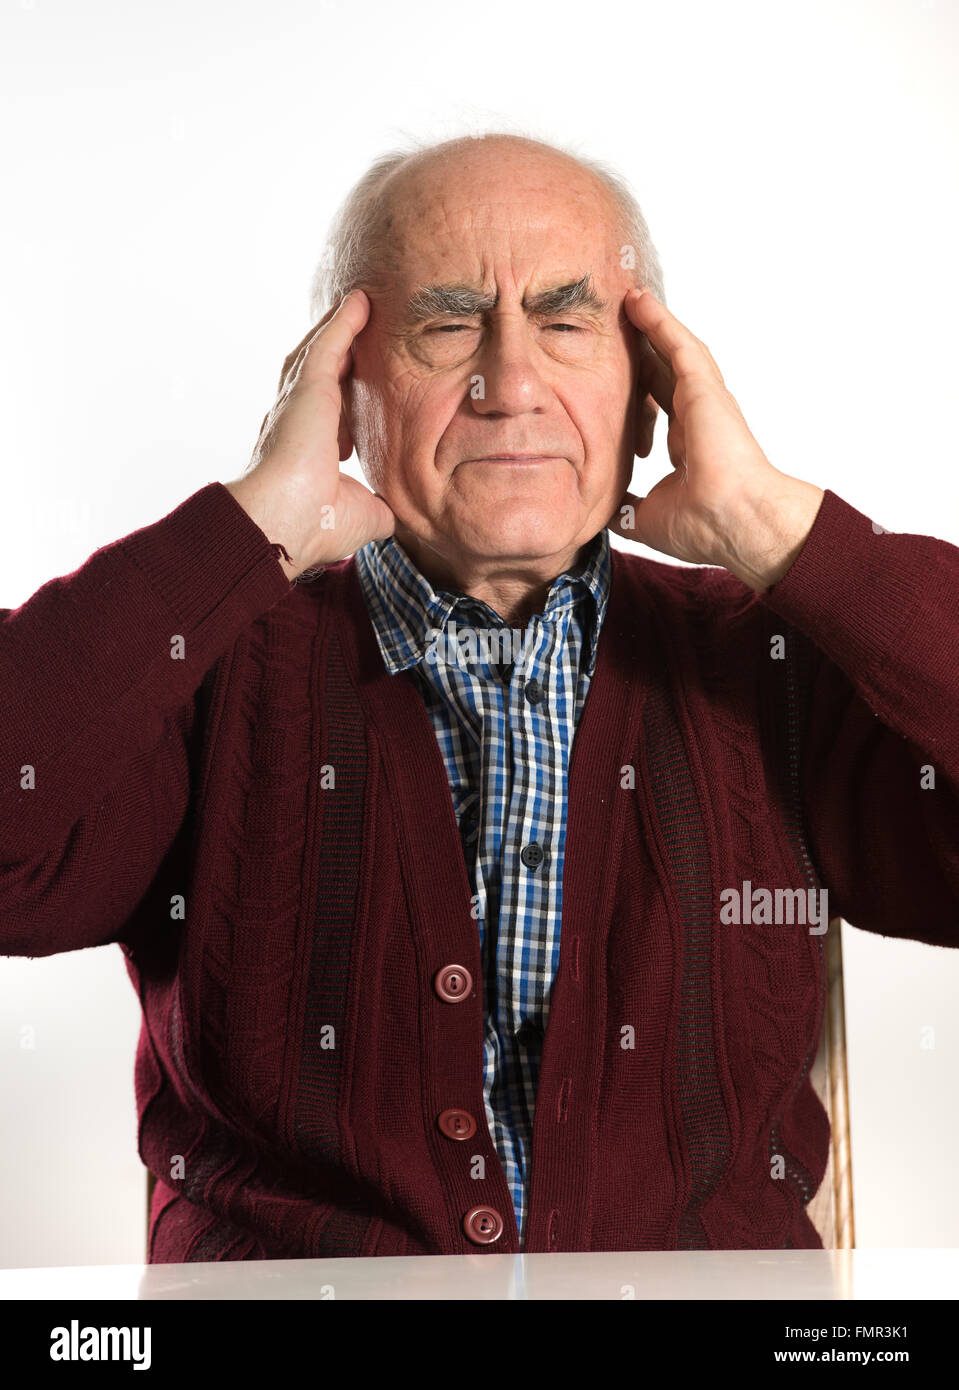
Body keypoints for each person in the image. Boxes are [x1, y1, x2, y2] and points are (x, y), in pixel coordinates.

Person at [2, 132, 957, 1262]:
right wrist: (249, 524)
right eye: (446, 322)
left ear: (648, 398)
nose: (508, 386)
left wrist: (775, 530)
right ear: (342, 395)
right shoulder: (211, 658)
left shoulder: (771, 665)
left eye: (565, 322)